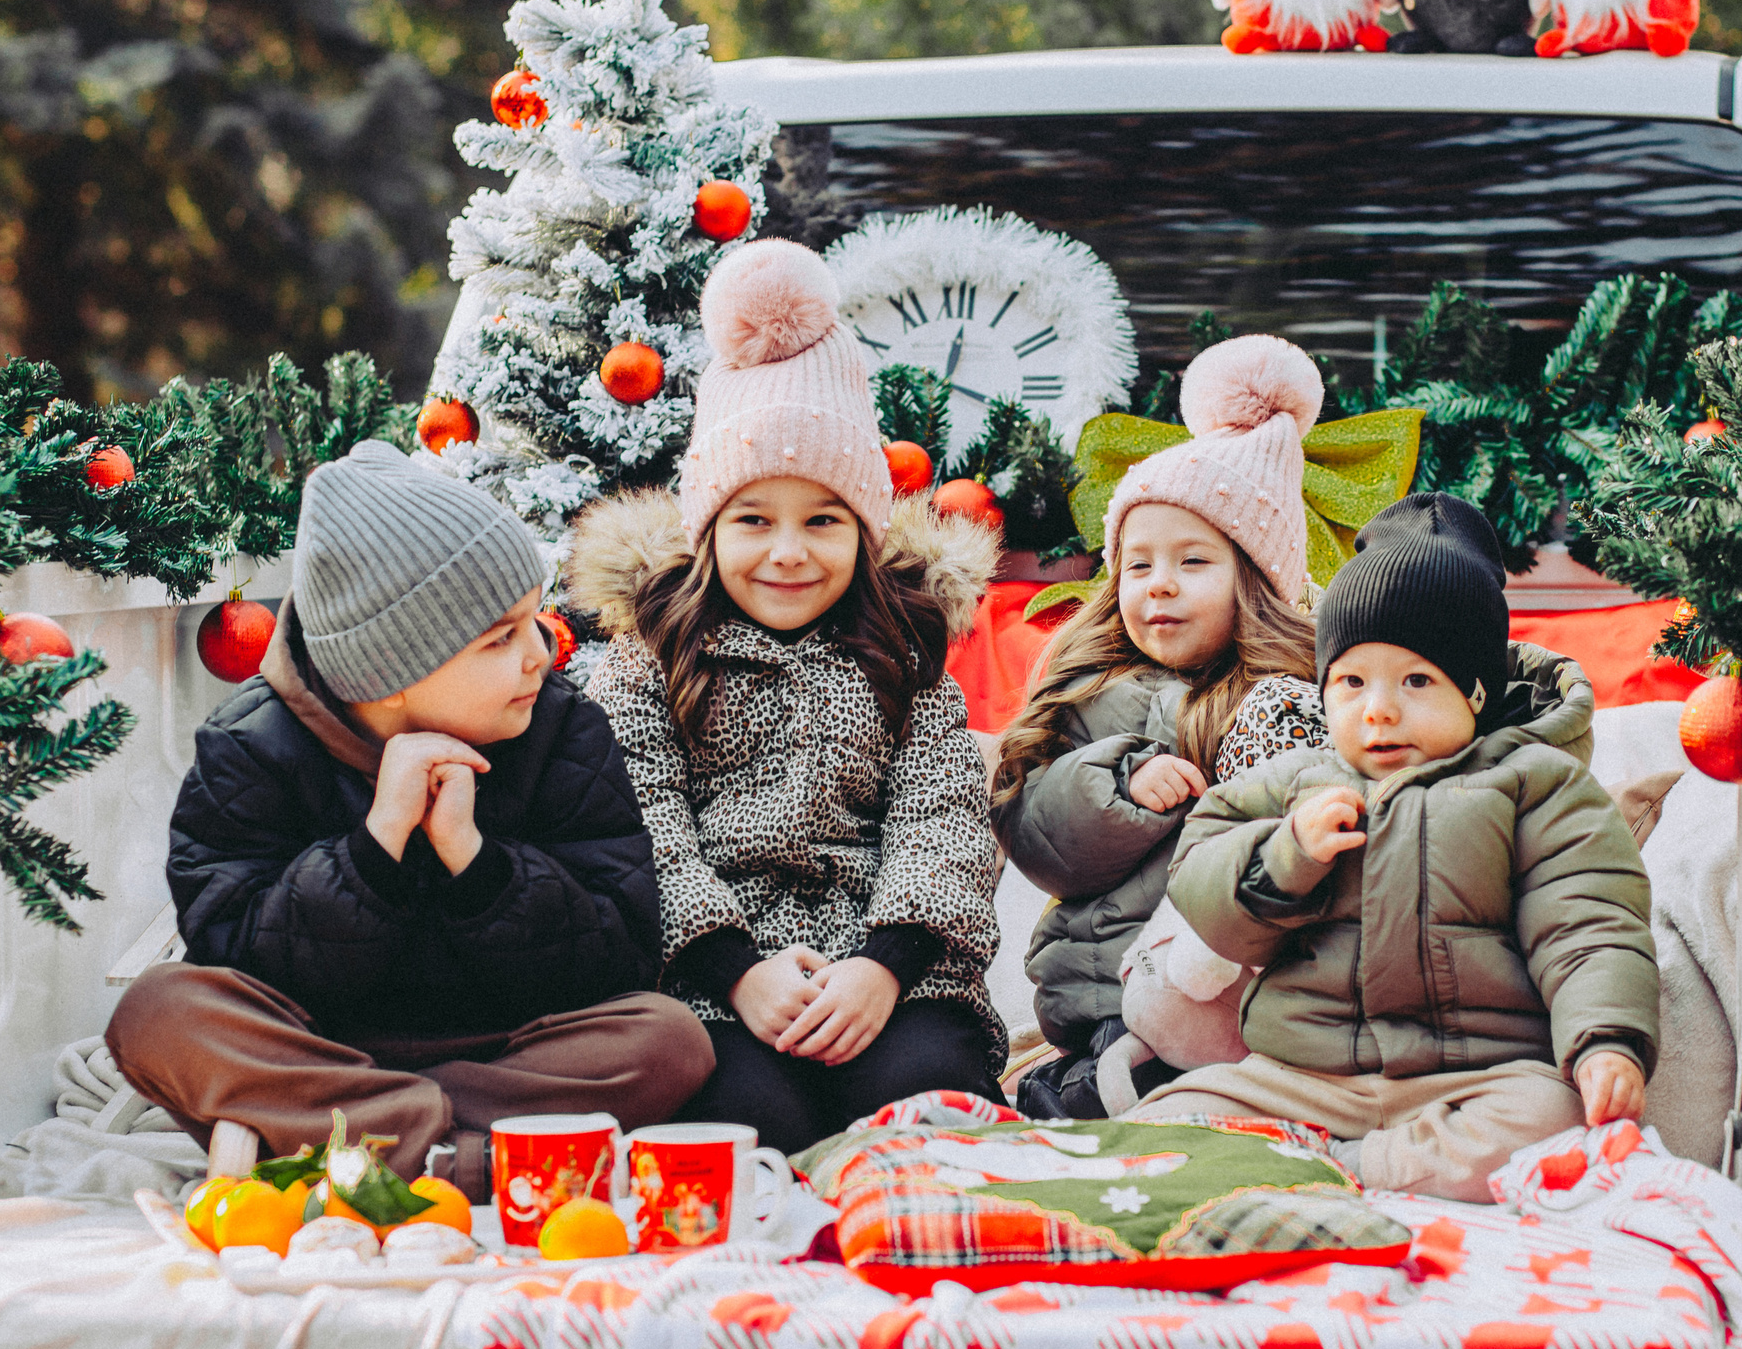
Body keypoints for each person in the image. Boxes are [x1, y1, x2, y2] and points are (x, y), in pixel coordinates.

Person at [110, 440, 713, 1198]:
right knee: (156, 1012)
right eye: (501, 638)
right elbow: (237, 958)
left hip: (506, 1049)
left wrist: (479, 863)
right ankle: (466, 1159)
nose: (540, 655)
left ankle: (351, 1145)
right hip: (315, 1046)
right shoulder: (251, 749)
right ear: (388, 674)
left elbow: (617, 956)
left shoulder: (563, 732)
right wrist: (371, 849)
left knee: (671, 1038)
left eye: (536, 621)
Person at [570, 238, 1006, 1154]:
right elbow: (640, 820)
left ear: (864, 527)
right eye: (754, 521)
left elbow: (944, 820)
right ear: (709, 528)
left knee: (918, 1101)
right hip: (711, 974)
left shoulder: (903, 658)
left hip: (885, 963)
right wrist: (735, 971)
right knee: (751, 1121)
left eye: (823, 521)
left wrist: (884, 967)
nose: (788, 552)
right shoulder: (654, 657)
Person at [1130, 492, 1660, 1201]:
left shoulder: (1537, 784)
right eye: (1351, 681)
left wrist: (1605, 1042)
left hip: (1473, 1075)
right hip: (1304, 1076)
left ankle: (1345, 1171)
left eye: (1416, 680)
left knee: (1554, 1119)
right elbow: (1202, 875)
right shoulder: (1298, 782)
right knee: (1169, 1121)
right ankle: (1344, 1161)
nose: (1378, 707)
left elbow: (1589, 924)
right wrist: (1288, 856)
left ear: (1474, 691)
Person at [993, 335, 1327, 1119]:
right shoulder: (1092, 687)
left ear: (1256, 581)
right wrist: (1117, 781)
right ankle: (1071, 1090)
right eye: (1137, 565)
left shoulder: (1286, 699)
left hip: (1248, 988)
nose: (1160, 586)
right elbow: (1031, 826)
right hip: (1110, 975)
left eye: (1193, 563)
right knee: (1147, 1080)